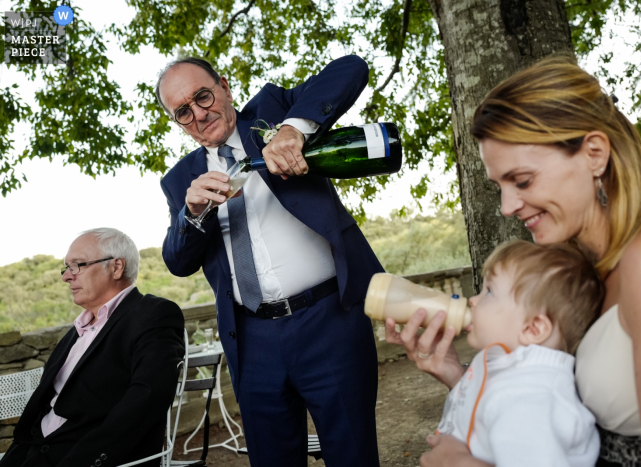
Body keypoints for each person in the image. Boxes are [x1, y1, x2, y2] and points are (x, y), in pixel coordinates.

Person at [387, 56, 641, 467]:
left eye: (522, 181)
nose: (507, 206)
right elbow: (554, 422)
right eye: (499, 185)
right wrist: (456, 375)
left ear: (593, 154)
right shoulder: (579, 265)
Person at [157, 55, 382, 467]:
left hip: (329, 321)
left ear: (224, 87)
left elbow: (351, 68)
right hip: (252, 342)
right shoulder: (179, 180)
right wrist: (191, 214)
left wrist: (293, 130)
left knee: (353, 453)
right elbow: (178, 261)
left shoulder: (272, 112)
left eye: (203, 96)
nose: (199, 114)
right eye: (183, 112)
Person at [0, 228, 185, 467]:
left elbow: (146, 398)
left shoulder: (153, 314)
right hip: (30, 452)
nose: (66, 276)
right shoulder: (75, 331)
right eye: (66, 267)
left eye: (77, 265)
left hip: (85, 457)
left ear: (116, 267)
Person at [436, 239, 603, 467]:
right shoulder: (515, 375)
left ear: (533, 328)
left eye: (489, 292)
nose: (473, 300)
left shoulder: (528, 399)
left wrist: (455, 462)